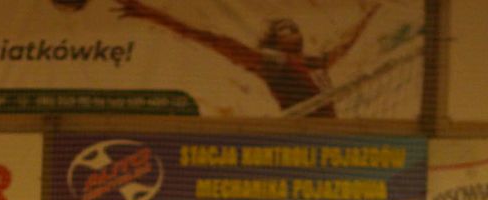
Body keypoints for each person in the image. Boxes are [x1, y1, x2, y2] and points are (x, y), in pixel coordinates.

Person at [114, 0, 381, 117]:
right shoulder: (274, 63)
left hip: (329, 135)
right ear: (274, 40)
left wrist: (372, 12)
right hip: (302, 134)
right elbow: (207, 38)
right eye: (285, 29)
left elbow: (345, 44)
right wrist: (151, 14)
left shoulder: (315, 62)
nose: (294, 31)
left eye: (294, 27)